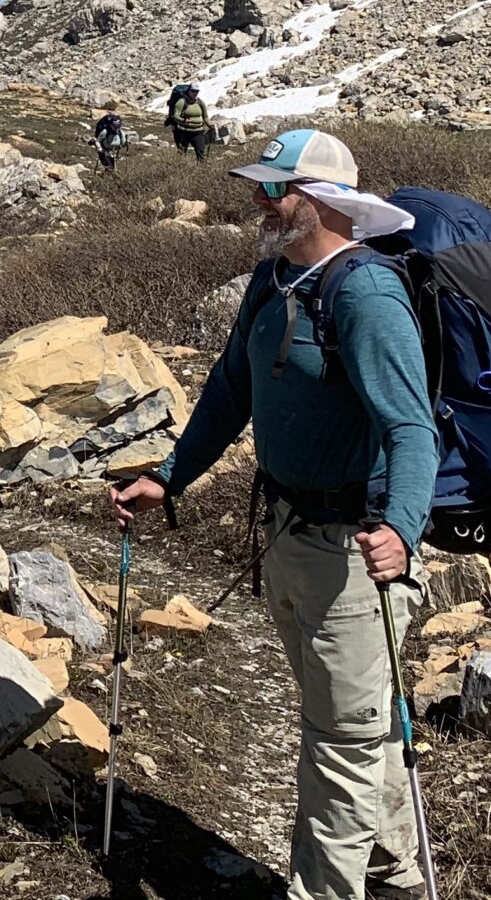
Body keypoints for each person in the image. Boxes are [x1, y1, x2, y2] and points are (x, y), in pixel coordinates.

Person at [109, 128, 436, 900]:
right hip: (291, 534)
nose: (256, 201)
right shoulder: (274, 280)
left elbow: (411, 428)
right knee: (349, 725)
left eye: (272, 189)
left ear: (320, 200)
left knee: (342, 739)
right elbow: (230, 391)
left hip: (355, 553)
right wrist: (172, 477)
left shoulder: (366, 295)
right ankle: (395, 871)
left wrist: (402, 530)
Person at [167, 83, 213, 159]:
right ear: (189, 91)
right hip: (184, 132)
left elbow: (205, 117)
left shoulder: (200, 102)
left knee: (200, 151)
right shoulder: (182, 102)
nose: (195, 93)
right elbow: (175, 116)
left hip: (198, 131)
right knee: (182, 152)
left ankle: (201, 169)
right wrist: (183, 120)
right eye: (193, 91)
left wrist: (210, 125)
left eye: (197, 91)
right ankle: (180, 168)